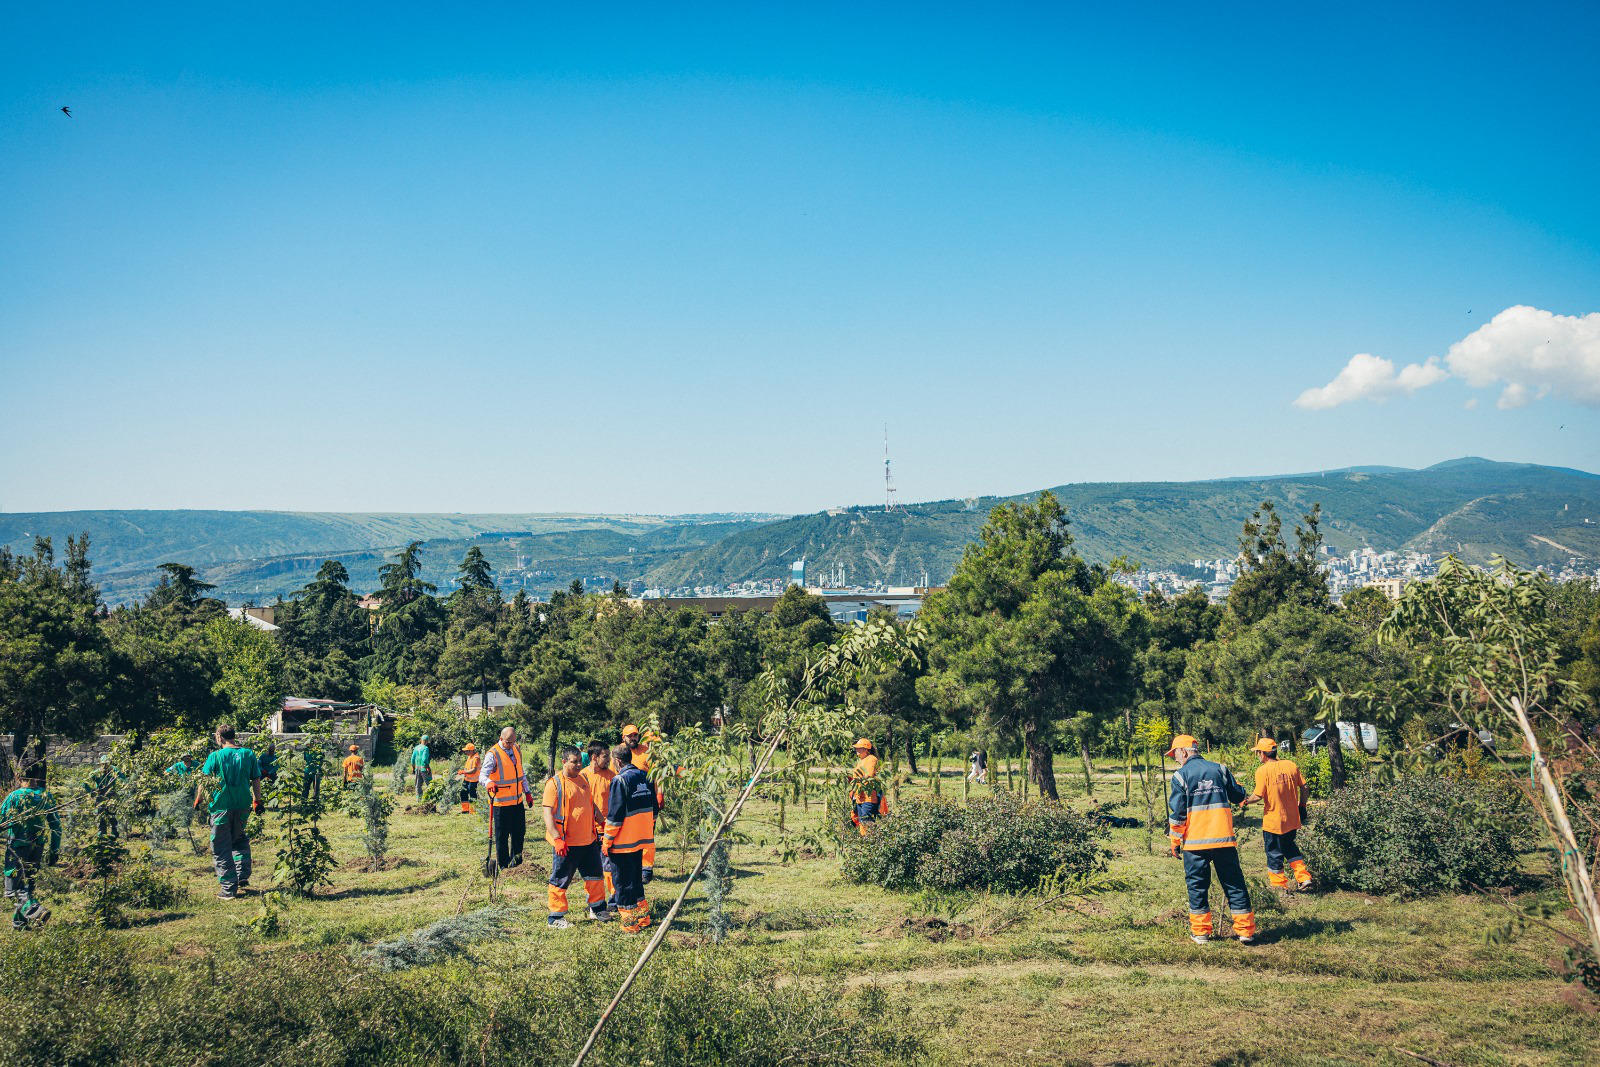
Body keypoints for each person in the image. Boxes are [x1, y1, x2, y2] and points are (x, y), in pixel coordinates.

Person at [1166, 734, 1255, 945]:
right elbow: (1238, 795)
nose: (1175, 759)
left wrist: (1175, 841)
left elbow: (1178, 814)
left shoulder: (1180, 776)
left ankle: (1201, 933)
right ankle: (1245, 932)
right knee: (1234, 883)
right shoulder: (1220, 769)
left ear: (1184, 751)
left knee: (1197, 887)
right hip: (1223, 840)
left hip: (1195, 844)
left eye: (1175, 754)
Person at [543, 745, 609, 928]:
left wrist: (603, 822)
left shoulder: (583, 779)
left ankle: (597, 909)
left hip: (589, 841)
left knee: (595, 877)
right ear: (564, 762)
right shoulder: (554, 784)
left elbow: (591, 804)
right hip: (567, 843)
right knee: (560, 880)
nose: (579, 764)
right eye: (574, 762)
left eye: (580, 761)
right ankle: (555, 918)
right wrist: (557, 838)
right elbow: (547, 814)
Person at [200, 724, 265, 900]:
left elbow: (203, 781)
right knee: (238, 839)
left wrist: (198, 800)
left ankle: (228, 889)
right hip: (243, 806)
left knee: (221, 847)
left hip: (221, 807)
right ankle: (241, 874)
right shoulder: (248, 754)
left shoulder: (215, 756)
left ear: (219, 737)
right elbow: (256, 779)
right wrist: (257, 800)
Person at [1239, 738, 1312, 890]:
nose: (1257, 755)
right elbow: (1305, 788)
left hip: (1273, 822)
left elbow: (1257, 796)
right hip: (1292, 820)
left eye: (1258, 752)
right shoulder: (1290, 765)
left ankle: (1279, 886)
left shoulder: (1262, 771)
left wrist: (1245, 801)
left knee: (1274, 853)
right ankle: (1303, 877)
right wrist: (1302, 806)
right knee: (1289, 847)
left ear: (1263, 753)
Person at [603, 743, 658, 934]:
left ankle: (630, 924)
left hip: (622, 842)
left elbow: (615, 816)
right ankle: (643, 918)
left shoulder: (620, 780)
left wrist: (607, 841)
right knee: (635, 881)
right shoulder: (645, 776)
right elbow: (654, 809)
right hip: (641, 840)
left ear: (617, 761)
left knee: (622, 884)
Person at [2, 766, 60, 930]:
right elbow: (56, 825)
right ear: (38, 776)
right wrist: (54, 850)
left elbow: (1, 819)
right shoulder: (46, 796)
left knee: (13, 889)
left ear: (19, 776)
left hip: (17, 847)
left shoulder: (14, 796)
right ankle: (19, 923)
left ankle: (36, 910)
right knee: (27, 885)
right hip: (37, 846)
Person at [478, 726, 534, 870]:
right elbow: (482, 776)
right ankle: (503, 866)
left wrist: (527, 792)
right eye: (508, 742)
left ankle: (517, 864)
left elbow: (521, 774)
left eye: (513, 742)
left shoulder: (516, 749)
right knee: (502, 836)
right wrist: (489, 782)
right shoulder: (493, 754)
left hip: (517, 802)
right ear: (501, 738)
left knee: (519, 833)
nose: (511, 745)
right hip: (501, 804)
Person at [581, 740, 618, 912]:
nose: (609, 759)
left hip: (606, 829)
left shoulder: (611, 776)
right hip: (587, 831)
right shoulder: (582, 776)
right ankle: (593, 902)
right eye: (605, 756)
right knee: (591, 869)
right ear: (594, 757)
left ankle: (614, 900)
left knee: (609, 867)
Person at [621, 724, 661, 882]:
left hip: (646, 798)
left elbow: (657, 775)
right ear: (623, 737)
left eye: (635, 735)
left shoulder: (647, 752)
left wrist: (660, 794)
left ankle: (646, 869)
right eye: (629, 736)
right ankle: (631, 867)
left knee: (648, 834)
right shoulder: (619, 753)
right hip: (627, 800)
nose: (633, 738)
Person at [848, 739, 888, 836]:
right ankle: (865, 840)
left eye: (859, 748)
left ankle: (870, 841)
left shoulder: (871, 759)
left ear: (866, 749)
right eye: (856, 748)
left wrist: (856, 782)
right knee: (861, 821)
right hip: (859, 796)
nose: (857, 750)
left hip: (869, 797)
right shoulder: (861, 761)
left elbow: (869, 776)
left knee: (867, 821)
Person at [456, 743, 481, 815]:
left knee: (472, 795)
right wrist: (464, 772)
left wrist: (464, 772)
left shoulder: (476, 758)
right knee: (463, 792)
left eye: (466, 751)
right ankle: (465, 810)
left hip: (473, 780)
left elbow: (474, 770)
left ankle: (473, 811)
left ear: (471, 750)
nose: (465, 752)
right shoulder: (470, 756)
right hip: (467, 779)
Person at [411, 735, 433, 799]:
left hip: (417, 768)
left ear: (421, 740)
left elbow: (412, 759)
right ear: (427, 741)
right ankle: (431, 797)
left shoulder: (416, 748)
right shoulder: (425, 748)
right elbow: (424, 759)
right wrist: (428, 768)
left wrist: (413, 768)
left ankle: (419, 798)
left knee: (418, 784)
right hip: (424, 768)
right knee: (430, 783)